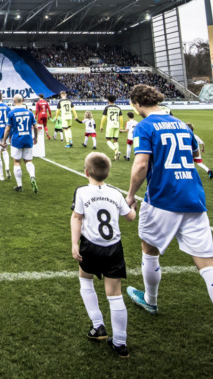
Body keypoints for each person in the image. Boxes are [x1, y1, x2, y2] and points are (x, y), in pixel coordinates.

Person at [124, 84, 213, 369]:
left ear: (135, 103)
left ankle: (151, 300)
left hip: (162, 199)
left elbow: (142, 164)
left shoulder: (145, 126)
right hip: (193, 197)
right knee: (208, 268)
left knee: (149, 250)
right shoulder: (181, 123)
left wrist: (131, 195)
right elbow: (194, 158)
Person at [71, 152, 136, 358]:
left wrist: (74, 243)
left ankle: (98, 325)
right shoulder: (116, 193)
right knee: (115, 295)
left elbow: (76, 217)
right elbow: (130, 217)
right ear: (107, 173)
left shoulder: (81, 192)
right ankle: (120, 344)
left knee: (85, 281)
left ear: (86, 172)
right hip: (113, 248)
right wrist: (133, 206)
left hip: (90, 246)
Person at [2, 94, 39, 193]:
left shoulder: (11, 113)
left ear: (13, 101)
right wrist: (35, 137)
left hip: (16, 140)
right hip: (28, 139)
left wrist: (4, 140)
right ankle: (32, 176)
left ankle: (19, 185)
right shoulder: (29, 112)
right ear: (22, 100)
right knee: (28, 161)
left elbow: (8, 128)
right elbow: (35, 127)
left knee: (17, 161)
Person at [101, 94, 123, 159]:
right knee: (115, 140)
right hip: (117, 125)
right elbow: (121, 118)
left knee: (108, 140)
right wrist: (121, 127)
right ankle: (116, 157)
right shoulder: (118, 108)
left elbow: (104, 117)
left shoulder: (107, 107)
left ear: (108, 100)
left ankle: (115, 150)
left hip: (110, 125)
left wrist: (101, 125)